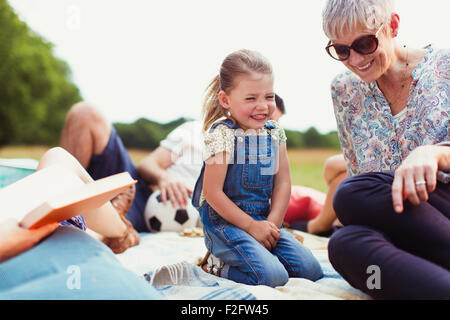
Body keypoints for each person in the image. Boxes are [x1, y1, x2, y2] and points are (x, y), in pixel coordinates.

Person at [321, 0, 450, 299]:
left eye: (364, 43)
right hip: (400, 226)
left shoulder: (445, 69)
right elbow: (360, 182)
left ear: (392, 26)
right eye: (341, 50)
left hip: (443, 210)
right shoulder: (343, 90)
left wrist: (434, 153)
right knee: (344, 244)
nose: (354, 59)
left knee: (350, 193)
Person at [192, 49, 323, 287]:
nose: (262, 106)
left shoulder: (274, 133)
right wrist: (251, 227)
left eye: (269, 97)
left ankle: (259, 254)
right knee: (271, 276)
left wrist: (271, 225)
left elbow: (283, 182)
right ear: (225, 100)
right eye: (251, 98)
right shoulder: (222, 135)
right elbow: (213, 193)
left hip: (263, 220)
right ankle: (215, 265)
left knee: (310, 270)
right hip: (226, 224)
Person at [0, 147, 164, 299]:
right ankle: (121, 232)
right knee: (58, 161)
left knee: (57, 161)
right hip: (24, 241)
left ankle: (112, 231)